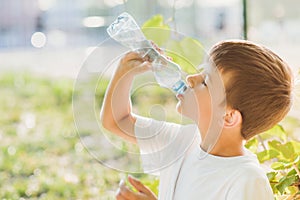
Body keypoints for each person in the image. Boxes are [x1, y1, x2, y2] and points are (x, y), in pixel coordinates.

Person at [100, 40, 293, 200]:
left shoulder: (247, 180)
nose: (191, 79)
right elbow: (116, 120)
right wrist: (124, 72)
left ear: (228, 116)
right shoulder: (180, 142)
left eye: (205, 82)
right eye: (200, 71)